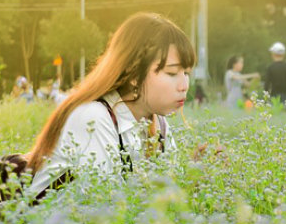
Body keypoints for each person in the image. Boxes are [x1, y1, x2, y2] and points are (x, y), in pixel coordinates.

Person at [23, 12, 195, 200]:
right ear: (134, 74)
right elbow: (108, 205)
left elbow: (169, 200)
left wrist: (197, 175)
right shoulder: (94, 117)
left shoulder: (157, 123)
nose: (184, 85)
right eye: (171, 73)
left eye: (186, 73)